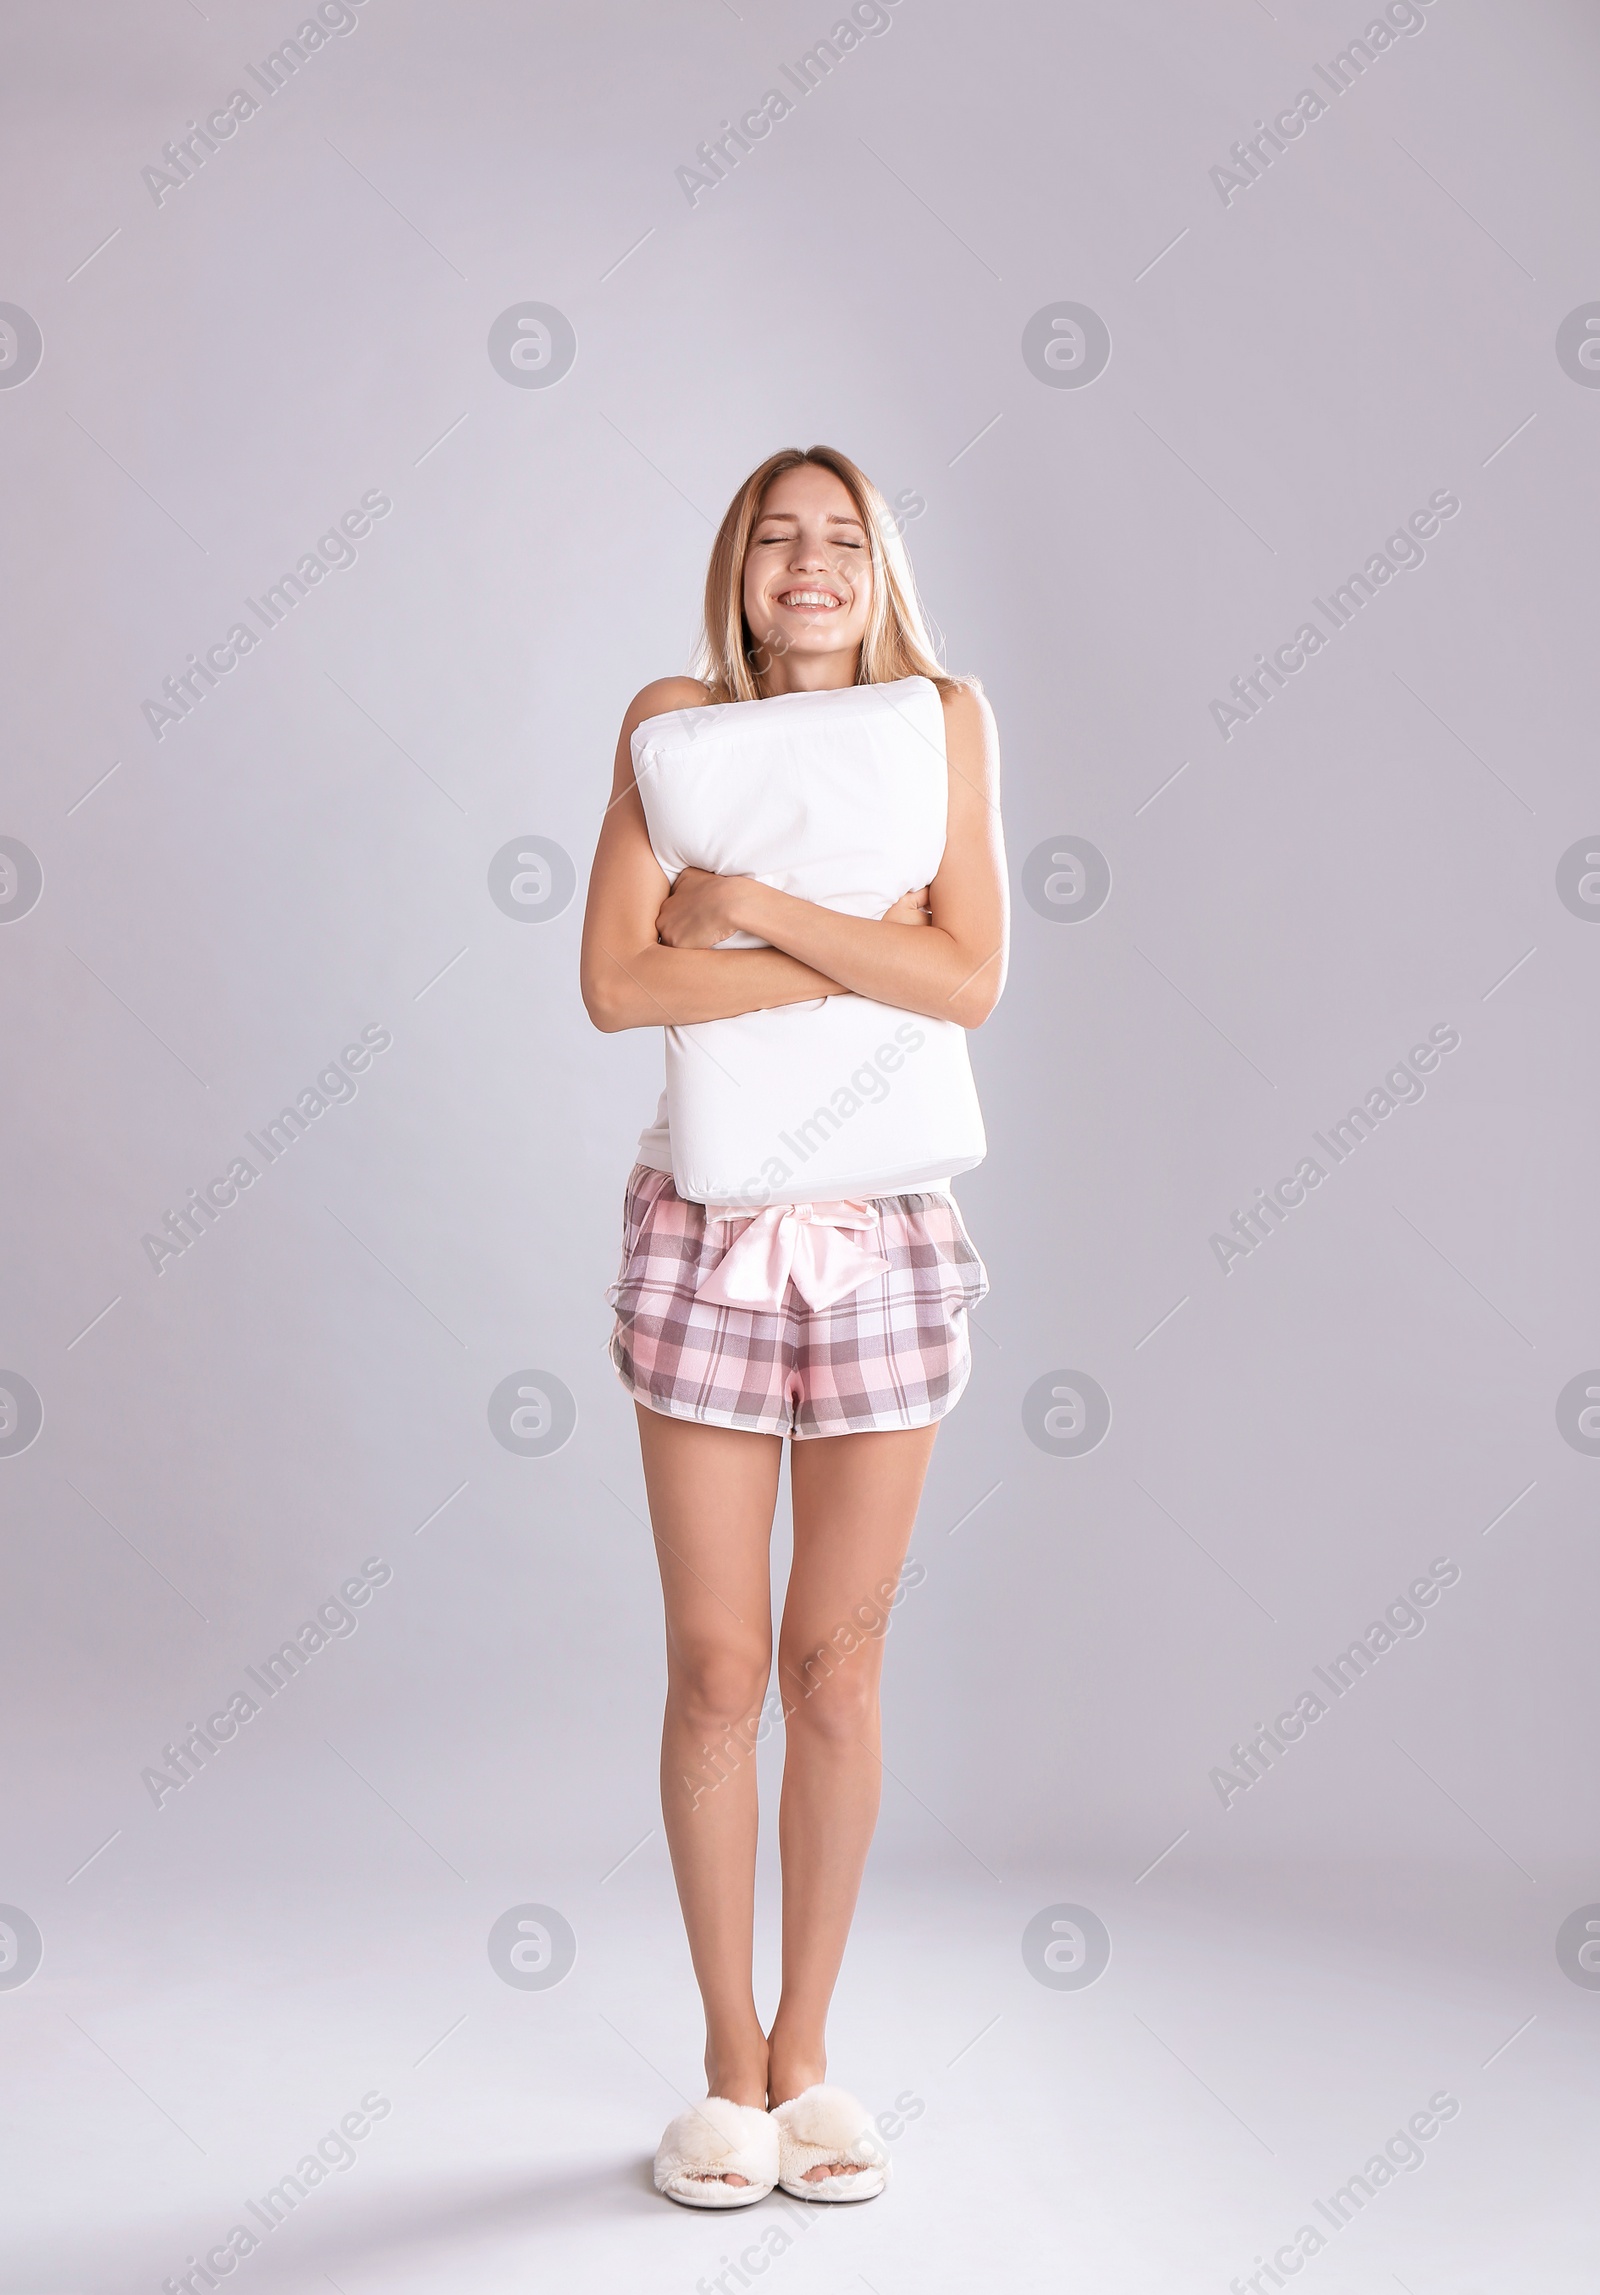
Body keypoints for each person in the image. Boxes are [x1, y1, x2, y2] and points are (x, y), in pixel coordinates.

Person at [579, 445, 1007, 2206]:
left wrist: (746, 910)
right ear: (738, 567)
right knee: (717, 1669)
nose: (811, 565)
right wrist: (859, 945)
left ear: (878, 565)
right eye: (780, 539)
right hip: (709, 1233)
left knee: (838, 1665)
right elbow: (617, 984)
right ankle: (726, 2064)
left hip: (888, 1234)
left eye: (841, 539)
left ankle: (811, 2053)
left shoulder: (941, 720)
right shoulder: (672, 724)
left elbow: (969, 974)